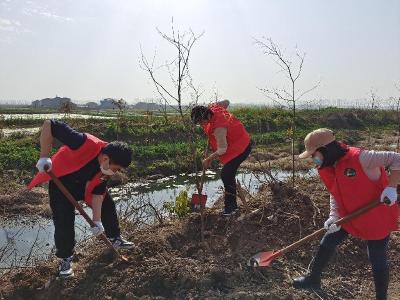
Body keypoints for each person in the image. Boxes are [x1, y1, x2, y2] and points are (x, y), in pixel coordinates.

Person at [294, 128, 399, 300]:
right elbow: (335, 192)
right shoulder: (330, 165)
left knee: (376, 256)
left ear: (326, 149)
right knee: (328, 240)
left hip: (376, 214)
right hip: (350, 214)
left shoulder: (362, 157)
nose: (314, 159)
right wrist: (334, 216)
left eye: (315, 154)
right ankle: (313, 279)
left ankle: (382, 297)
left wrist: (391, 187)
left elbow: (397, 158)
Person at [28, 120, 135, 278]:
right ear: (106, 159)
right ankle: (65, 259)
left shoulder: (105, 169)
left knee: (107, 204)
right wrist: (44, 156)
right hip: (61, 184)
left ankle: (115, 238)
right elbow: (49, 124)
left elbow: (98, 193)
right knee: (64, 220)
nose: (116, 172)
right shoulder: (83, 142)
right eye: (116, 168)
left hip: (84, 186)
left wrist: (97, 221)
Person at [191, 100, 252, 216]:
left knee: (226, 174)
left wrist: (208, 159)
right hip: (236, 141)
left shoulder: (219, 128)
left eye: (200, 121)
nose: (200, 124)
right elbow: (227, 102)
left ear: (206, 116)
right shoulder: (213, 107)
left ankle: (231, 209)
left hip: (241, 147)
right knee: (228, 174)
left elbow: (222, 149)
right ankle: (232, 206)